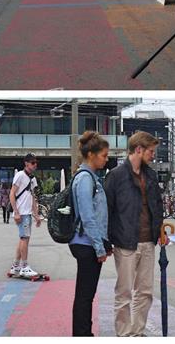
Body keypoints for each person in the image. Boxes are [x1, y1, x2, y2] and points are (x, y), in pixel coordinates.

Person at [105, 131, 165, 337]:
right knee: (124, 293)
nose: (153, 155)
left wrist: (160, 230)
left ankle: (137, 332)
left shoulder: (151, 175)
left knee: (145, 291)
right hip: (125, 242)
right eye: (150, 151)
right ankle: (124, 334)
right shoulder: (116, 176)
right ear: (138, 149)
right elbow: (107, 210)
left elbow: (157, 205)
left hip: (148, 240)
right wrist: (107, 241)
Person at [69, 131, 111, 337]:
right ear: (92, 155)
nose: (106, 159)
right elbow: (88, 216)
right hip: (86, 244)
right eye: (103, 155)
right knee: (85, 295)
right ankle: (82, 335)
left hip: (85, 242)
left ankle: (83, 333)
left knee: (85, 294)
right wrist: (99, 247)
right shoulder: (86, 179)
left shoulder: (87, 177)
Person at [8, 153, 41, 277]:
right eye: (33, 163)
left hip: (27, 213)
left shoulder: (32, 179)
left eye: (36, 163)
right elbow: (12, 193)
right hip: (21, 213)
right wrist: (16, 212)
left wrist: (36, 215)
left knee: (23, 239)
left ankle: (16, 266)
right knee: (24, 239)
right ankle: (24, 266)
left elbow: (33, 198)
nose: (35, 165)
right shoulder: (20, 175)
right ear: (26, 163)